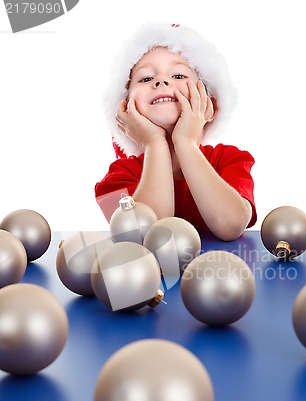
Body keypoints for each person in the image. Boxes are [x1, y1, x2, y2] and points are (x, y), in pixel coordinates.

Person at [95, 23, 256, 241]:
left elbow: (231, 225)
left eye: (179, 75)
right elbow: (146, 237)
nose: (161, 81)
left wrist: (186, 142)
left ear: (210, 106)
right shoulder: (116, 179)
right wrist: (155, 143)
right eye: (145, 78)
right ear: (125, 110)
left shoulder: (230, 160)